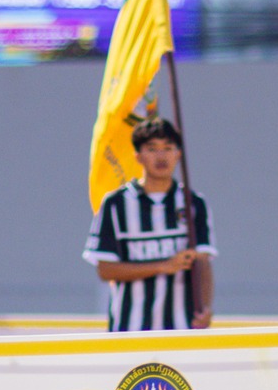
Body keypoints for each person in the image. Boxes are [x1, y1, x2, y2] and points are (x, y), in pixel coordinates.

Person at [85, 118, 215, 332]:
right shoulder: (115, 204)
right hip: (129, 330)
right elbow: (105, 269)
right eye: (152, 149)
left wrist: (206, 307)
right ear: (138, 156)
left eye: (168, 148)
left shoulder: (194, 203)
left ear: (178, 154)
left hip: (181, 329)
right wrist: (163, 266)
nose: (161, 156)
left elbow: (203, 263)